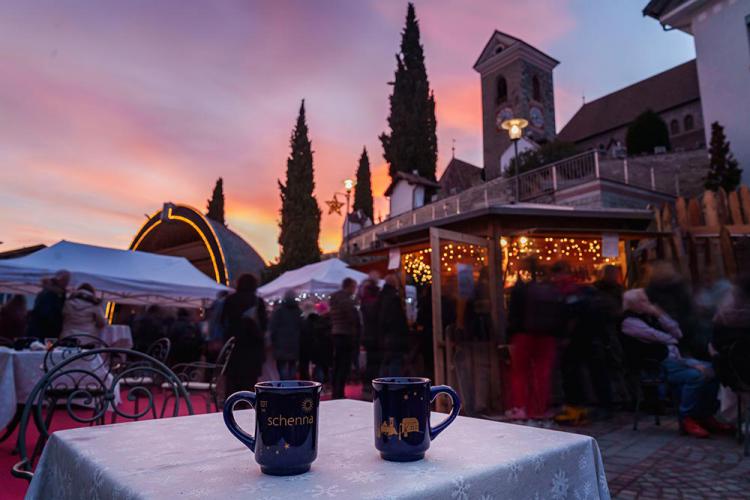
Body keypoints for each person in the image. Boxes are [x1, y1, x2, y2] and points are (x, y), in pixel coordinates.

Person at [620, 288, 728, 438]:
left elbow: (677, 332)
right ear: (632, 304)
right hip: (656, 366)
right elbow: (661, 337)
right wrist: (673, 341)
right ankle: (686, 418)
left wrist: (660, 315)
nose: (648, 303)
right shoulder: (629, 321)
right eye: (643, 301)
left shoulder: (651, 316)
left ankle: (705, 415)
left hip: (674, 359)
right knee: (697, 375)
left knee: (715, 371)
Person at [506, 258, 563, 421]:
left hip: (523, 335)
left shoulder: (520, 289)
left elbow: (513, 314)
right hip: (547, 336)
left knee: (520, 373)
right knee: (542, 373)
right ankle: (539, 409)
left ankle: (520, 407)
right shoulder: (552, 290)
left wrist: (510, 333)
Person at [221, 274, 267, 395]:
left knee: (232, 386)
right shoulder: (257, 301)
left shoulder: (230, 300)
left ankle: (232, 408)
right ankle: (248, 410)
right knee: (249, 386)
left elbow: (223, 322)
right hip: (253, 347)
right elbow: (264, 325)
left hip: (234, 347)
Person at [329, 278, 360, 399]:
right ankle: (339, 392)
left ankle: (336, 391)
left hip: (336, 333)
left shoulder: (334, 299)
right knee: (343, 366)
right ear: (349, 286)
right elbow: (352, 318)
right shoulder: (346, 300)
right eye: (354, 287)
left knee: (337, 365)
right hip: (345, 335)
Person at [377, 273, 409, 377]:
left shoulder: (381, 297)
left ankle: (382, 387)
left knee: (386, 361)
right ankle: (393, 388)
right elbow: (397, 320)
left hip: (384, 336)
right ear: (394, 283)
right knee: (395, 361)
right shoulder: (393, 298)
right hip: (394, 336)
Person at [269, 290, 303, 380]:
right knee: (292, 365)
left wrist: (272, 341)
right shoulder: (298, 312)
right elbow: (302, 327)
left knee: (282, 366)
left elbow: (273, 328)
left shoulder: (278, 311)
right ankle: (291, 383)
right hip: (295, 343)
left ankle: (284, 384)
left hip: (280, 343)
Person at [26, 270, 70, 340]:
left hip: (43, 332)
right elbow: (46, 314)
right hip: (42, 333)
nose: (68, 283)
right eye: (66, 280)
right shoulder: (50, 294)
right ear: (60, 280)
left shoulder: (56, 294)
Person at [359, 278, 380, 394]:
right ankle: (371, 386)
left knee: (370, 362)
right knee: (374, 363)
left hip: (367, 336)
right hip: (375, 336)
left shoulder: (364, 301)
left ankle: (367, 385)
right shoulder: (375, 302)